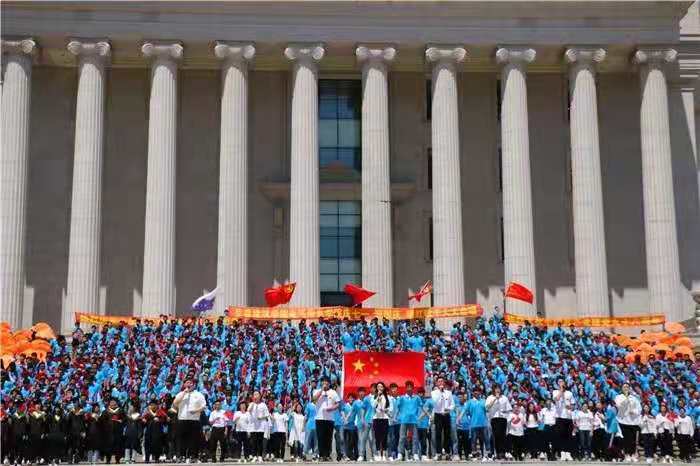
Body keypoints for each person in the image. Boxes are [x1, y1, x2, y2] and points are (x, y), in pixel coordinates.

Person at [173, 379, 207, 463]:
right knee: (181, 439)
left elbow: (203, 406)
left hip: (194, 420)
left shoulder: (198, 394)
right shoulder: (181, 394)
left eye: (190, 383)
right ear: (184, 384)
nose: (189, 384)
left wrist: (196, 411)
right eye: (187, 383)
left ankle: (193, 457)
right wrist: (184, 393)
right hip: (182, 419)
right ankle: (181, 456)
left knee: (194, 439)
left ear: (194, 385)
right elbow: (175, 403)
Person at [312, 377, 340, 462]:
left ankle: (327, 455)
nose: (325, 384)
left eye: (327, 382)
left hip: (330, 418)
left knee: (328, 437)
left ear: (329, 383)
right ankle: (321, 455)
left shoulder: (333, 392)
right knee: (320, 437)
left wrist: (332, 408)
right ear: (321, 383)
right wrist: (322, 390)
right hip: (319, 418)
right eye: (323, 382)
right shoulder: (317, 391)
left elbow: (338, 403)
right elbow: (314, 399)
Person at [615, 383, 642, 462]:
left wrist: (634, 411)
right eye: (624, 387)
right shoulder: (619, 397)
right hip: (623, 421)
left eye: (627, 387)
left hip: (633, 421)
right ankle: (627, 454)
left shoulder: (634, 398)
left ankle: (633, 454)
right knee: (626, 439)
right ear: (622, 388)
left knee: (633, 439)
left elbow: (639, 408)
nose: (626, 388)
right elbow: (620, 406)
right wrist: (626, 398)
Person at [396, 380, 422, 461]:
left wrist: (419, 417)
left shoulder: (417, 398)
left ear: (413, 388)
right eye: (408, 387)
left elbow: (421, 407)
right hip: (404, 420)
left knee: (415, 437)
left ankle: (415, 454)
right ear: (405, 388)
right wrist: (397, 417)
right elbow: (397, 408)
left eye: (411, 387)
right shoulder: (402, 398)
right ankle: (400, 453)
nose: (409, 388)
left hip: (414, 420)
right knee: (402, 437)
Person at [430, 377, 454, 460]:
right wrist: (440, 392)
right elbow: (435, 402)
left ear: (444, 383)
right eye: (439, 381)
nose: (441, 383)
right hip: (438, 415)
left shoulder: (449, 393)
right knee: (438, 434)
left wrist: (448, 409)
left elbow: (452, 404)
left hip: (446, 415)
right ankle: (438, 453)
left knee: (447, 434)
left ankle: (447, 453)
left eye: (442, 381)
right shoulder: (433, 393)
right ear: (437, 383)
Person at [485, 386, 511, 460]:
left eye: (498, 388)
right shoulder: (490, 397)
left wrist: (505, 414)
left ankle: (503, 453)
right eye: (496, 389)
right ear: (493, 390)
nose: (497, 390)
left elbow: (508, 409)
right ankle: (497, 452)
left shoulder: (504, 398)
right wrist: (495, 399)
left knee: (503, 436)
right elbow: (487, 407)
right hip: (494, 418)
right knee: (496, 436)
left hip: (503, 418)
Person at [552, 378, 575, 461]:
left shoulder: (570, 393)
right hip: (560, 417)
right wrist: (561, 390)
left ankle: (568, 453)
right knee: (561, 436)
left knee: (568, 436)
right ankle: (562, 453)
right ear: (558, 384)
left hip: (568, 417)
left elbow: (573, 406)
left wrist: (570, 407)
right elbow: (556, 399)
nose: (561, 383)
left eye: (562, 381)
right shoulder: (555, 392)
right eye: (559, 382)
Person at [466, 389, 489, 460]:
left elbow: (487, 410)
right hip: (474, 424)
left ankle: (486, 455)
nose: (477, 394)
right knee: (473, 441)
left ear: (480, 393)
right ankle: (474, 455)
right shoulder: (470, 402)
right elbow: (466, 411)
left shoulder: (484, 401)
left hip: (483, 424)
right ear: (473, 393)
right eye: (475, 393)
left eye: (478, 392)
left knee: (485, 440)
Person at [247, 391, 270, 462]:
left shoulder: (263, 405)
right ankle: (254, 456)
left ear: (260, 396)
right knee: (253, 441)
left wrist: (261, 417)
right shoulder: (251, 404)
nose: (256, 396)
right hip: (253, 426)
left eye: (257, 394)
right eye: (254, 394)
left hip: (261, 426)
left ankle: (260, 456)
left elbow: (267, 415)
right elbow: (248, 410)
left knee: (260, 441)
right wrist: (253, 403)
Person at [372, 381, 391, 461]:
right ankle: (379, 454)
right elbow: (373, 406)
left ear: (383, 388)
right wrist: (378, 397)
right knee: (377, 437)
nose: (380, 388)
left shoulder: (387, 397)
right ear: (376, 388)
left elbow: (390, 408)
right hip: (376, 418)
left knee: (384, 437)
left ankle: (384, 454)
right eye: (378, 387)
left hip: (385, 418)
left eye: (381, 387)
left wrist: (386, 410)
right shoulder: (374, 397)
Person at [103, 398, 125, 464]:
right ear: (109, 404)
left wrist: (121, 420)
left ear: (116, 403)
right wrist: (107, 422)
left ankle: (117, 459)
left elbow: (125, 418)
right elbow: (102, 420)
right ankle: (108, 459)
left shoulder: (120, 411)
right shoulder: (106, 411)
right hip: (108, 432)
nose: (112, 403)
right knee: (108, 446)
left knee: (118, 445)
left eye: (114, 402)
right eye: (111, 402)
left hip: (118, 431)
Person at [342, 393, 360, 461]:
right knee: (347, 442)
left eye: (352, 398)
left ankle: (355, 456)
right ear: (347, 399)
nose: (351, 399)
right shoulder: (345, 405)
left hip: (354, 426)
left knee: (354, 442)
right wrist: (345, 419)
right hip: (346, 426)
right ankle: (348, 455)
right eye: (350, 398)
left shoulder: (355, 406)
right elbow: (342, 412)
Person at [416, 387, 433, 461]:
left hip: (425, 424)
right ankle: (416, 455)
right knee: (416, 440)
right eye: (419, 393)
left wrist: (429, 418)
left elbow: (430, 411)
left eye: (422, 393)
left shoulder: (427, 401)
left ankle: (424, 455)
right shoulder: (416, 402)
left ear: (424, 393)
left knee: (424, 441)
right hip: (416, 424)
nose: (420, 394)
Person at [455, 392, 471, 460]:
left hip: (466, 427)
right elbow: (456, 415)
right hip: (459, 427)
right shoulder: (457, 406)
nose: (460, 399)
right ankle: (460, 456)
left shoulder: (467, 405)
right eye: (459, 397)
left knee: (466, 442)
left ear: (464, 398)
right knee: (460, 442)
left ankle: (467, 456)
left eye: (461, 397)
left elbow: (469, 414)